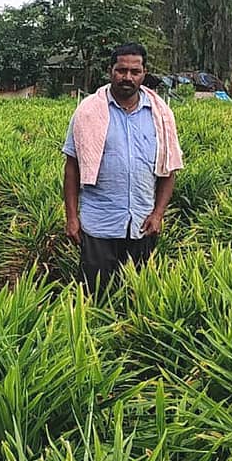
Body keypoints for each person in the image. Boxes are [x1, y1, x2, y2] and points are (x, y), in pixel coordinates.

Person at [62, 42, 183, 295]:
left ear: (144, 73)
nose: (127, 77)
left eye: (135, 72)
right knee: (95, 297)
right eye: (121, 70)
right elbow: (72, 168)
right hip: (98, 226)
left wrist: (158, 214)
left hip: (142, 224)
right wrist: (72, 218)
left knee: (138, 298)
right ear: (110, 71)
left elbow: (169, 168)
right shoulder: (87, 112)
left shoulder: (160, 115)